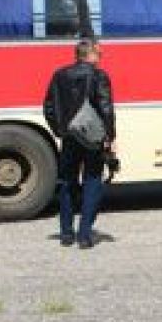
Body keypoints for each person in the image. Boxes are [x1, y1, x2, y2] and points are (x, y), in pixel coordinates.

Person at [42, 37, 116, 249]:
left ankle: (66, 233)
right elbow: (106, 109)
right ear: (90, 55)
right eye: (99, 54)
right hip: (93, 138)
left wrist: (60, 130)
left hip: (69, 137)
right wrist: (110, 137)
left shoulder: (60, 75)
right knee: (93, 181)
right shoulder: (99, 76)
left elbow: (48, 107)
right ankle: (84, 234)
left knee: (67, 182)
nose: (100, 58)